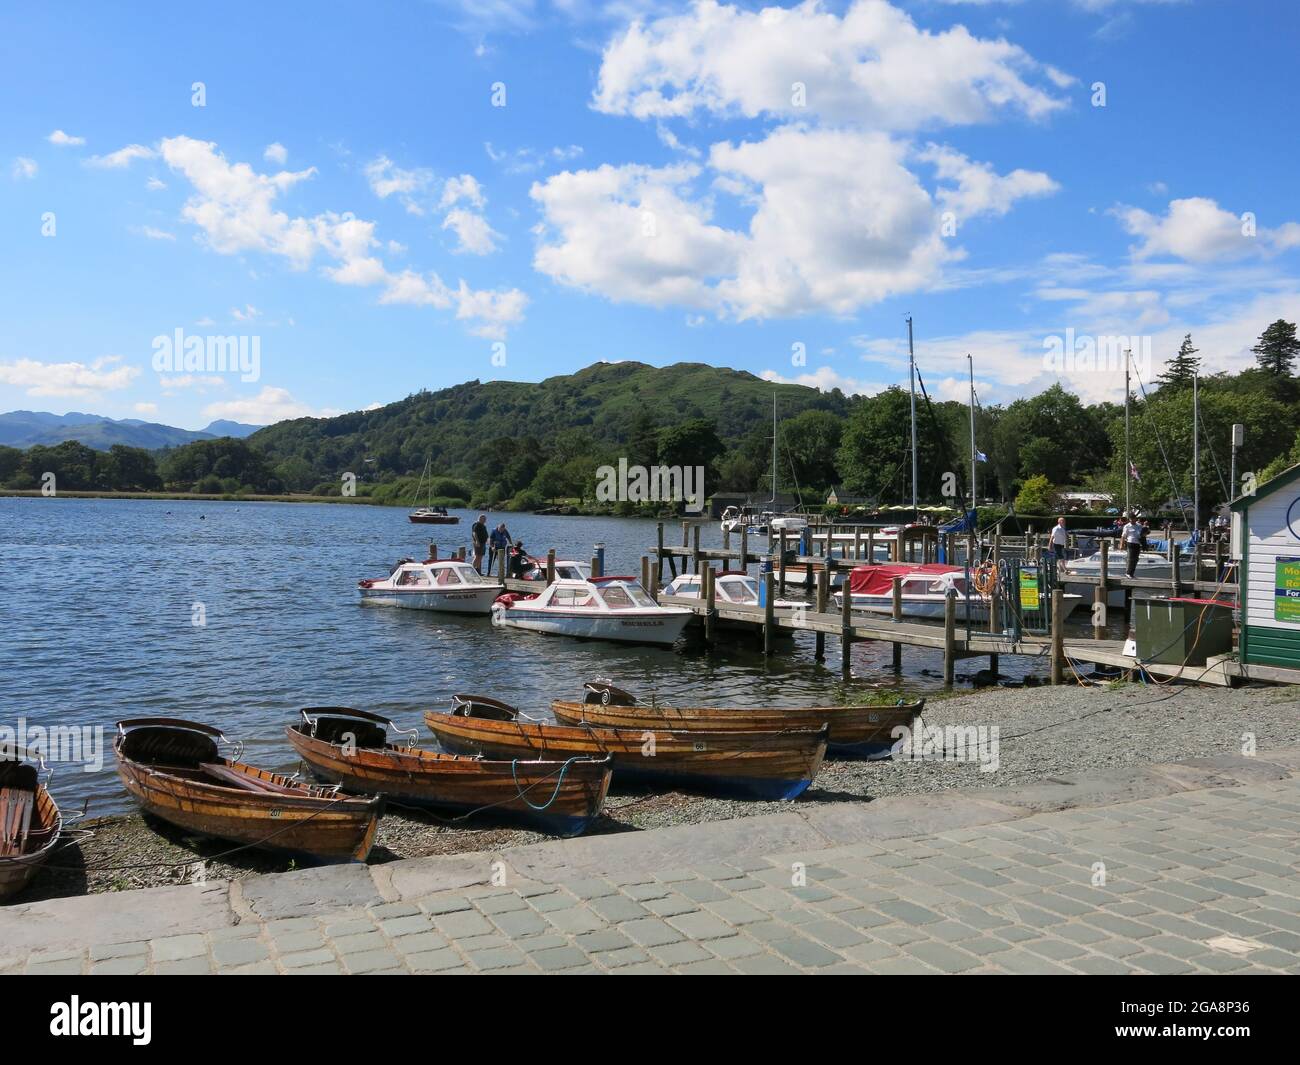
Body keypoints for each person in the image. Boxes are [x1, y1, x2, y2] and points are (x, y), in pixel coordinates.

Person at [1121, 512, 1143, 578]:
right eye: (1130, 519)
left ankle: (1131, 573)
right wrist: (1121, 544)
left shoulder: (1139, 525)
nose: (1131, 520)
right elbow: (1123, 536)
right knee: (1130, 558)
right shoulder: (1127, 526)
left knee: (1136, 559)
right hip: (1130, 543)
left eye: (1133, 519)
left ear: (1135, 519)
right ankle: (1127, 573)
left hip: (1138, 543)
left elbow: (1142, 534)